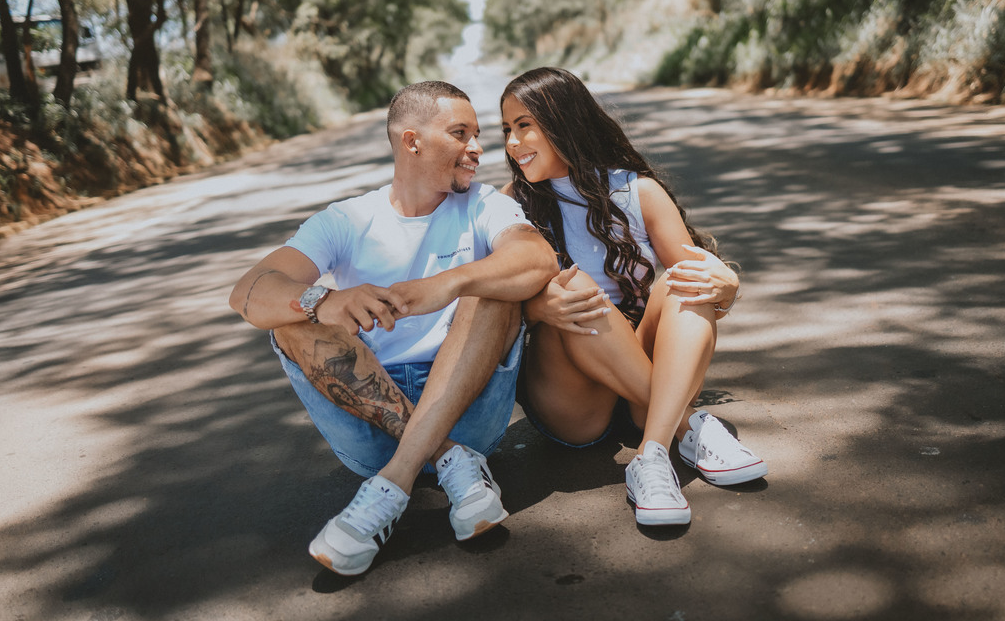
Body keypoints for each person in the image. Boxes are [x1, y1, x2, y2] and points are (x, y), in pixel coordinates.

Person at [230, 80, 558, 575]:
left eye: (477, 134)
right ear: (412, 141)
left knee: (494, 289)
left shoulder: (484, 204)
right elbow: (249, 292)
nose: (478, 147)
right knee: (292, 320)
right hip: (369, 412)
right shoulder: (347, 220)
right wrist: (325, 300)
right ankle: (449, 458)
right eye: (461, 133)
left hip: (467, 402)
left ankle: (393, 483)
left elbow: (536, 258)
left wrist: (446, 284)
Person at [499, 66, 767, 527]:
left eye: (524, 126)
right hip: (572, 399)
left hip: (637, 379)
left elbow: (704, 285)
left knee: (686, 275)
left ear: (563, 120)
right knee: (575, 288)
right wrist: (537, 307)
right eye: (507, 129)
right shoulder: (510, 204)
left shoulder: (637, 191)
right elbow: (491, 300)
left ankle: (652, 454)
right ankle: (688, 423)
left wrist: (727, 287)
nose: (512, 142)